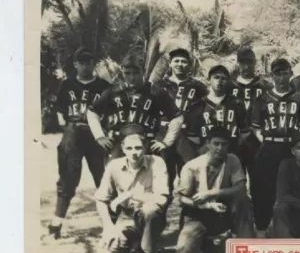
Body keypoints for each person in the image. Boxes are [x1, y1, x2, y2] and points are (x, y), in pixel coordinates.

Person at [49, 47, 111, 239]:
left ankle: (110, 225)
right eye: (81, 62)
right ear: (75, 64)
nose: (85, 65)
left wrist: (105, 131)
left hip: (96, 133)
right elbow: (60, 109)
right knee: (68, 177)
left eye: (88, 62)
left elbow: (111, 111)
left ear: (93, 63)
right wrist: (65, 127)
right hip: (74, 131)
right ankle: (56, 225)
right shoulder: (67, 85)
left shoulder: (103, 85)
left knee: (103, 178)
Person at [251, 58, 300, 237]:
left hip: (291, 149)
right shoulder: (263, 97)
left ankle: (294, 227)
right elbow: (255, 126)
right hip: (270, 146)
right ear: (272, 76)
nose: (281, 77)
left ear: (290, 74)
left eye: (284, 72)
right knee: (264, 189)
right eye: (277, 73)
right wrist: (263, 140)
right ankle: (262, 228)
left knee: (294, 188)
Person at [174, 127, 254, 253]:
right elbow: (181, 199)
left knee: (243, 200)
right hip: (198, 215)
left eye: (224, 144)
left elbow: (240, 188)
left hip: (223, 211)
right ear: (208, 144)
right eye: (216, 144)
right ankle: (208, 244)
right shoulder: (192, 166)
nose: (220, 148)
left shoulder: (232, 160)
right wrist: (206, 205)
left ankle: (246, 247)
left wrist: (213, 193)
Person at [94, 124, 170, 253]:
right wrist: (108, 227)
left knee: (150, 209)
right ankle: (130, 243)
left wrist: (130, 194)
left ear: (145, 148)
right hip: (126, 217)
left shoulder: (157, 162)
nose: (134, 152)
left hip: (149, 216)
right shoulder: (114, 166)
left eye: (138, 148)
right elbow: (101, 199)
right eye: (129, 148)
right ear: (123, 149)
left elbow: (162, 198)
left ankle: (149, 249)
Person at [87, 54, 184, 161]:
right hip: (119, 144)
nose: (132, 78)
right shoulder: (112, 92)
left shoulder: (155, 92)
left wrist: (166, 141)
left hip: (147, 144)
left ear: (143, 71)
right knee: (114, 173)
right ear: (122, 72)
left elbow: (177, 117)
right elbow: (92, 112)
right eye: (127, 73)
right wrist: (99, 136)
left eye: (136, 73)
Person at [154, 48, 208, 193]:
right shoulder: (159, 86)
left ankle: (190, 213)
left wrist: (201, 138)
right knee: (164, 179)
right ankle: (160, 213)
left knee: (189, 177)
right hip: (164, 135)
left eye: (183, 61)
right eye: (176, 61)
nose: (179, 64)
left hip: (188, 136)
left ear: (189, 65)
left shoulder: (198, 87)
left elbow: (205, 113)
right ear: (170, 64)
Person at [228, 47, 272, 195]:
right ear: (238, 63)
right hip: (236, 139)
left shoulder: (265, 86)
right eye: (243, 62)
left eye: (249, 62)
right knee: (235, 181)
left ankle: (260, 216)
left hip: (257, 139)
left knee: (259, 182)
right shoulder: (229, 86)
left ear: (255, 63)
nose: (246, 66)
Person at [187, 65, 251, 158]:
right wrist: (202, 149)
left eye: (223, 78)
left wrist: (235, 146)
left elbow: (245, 131)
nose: (220, 81)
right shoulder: (198, 105)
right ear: (209, 80)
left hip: (231, 154)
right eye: (216, 77)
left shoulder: (236, 103)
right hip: (206, 154)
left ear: (228, 81)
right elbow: (191, 134)